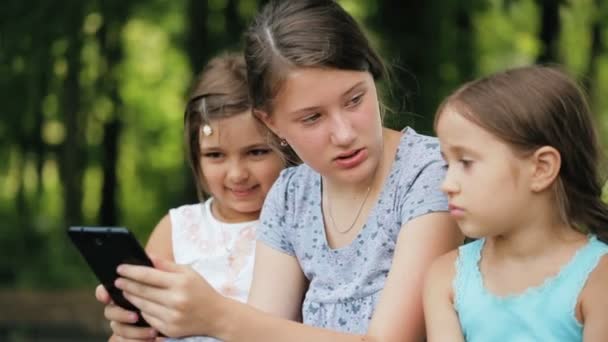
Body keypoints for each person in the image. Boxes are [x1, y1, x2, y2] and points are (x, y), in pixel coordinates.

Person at [103, 1, 463, 341]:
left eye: (355, 100)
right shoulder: (292, 194)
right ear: (271, 123)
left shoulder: (429, 173)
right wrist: (163, 321)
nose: (344, 133)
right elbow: (264, 328)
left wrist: (214, 315)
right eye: (312, 117)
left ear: (373, 74)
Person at [96, 53, 289, 341]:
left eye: (256, 152)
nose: (237, 174)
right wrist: (130, 327)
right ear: (196, 157)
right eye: (215, 155)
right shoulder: (177, 228)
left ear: (287, 146)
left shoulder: (298, 226)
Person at [424, 65, 608, 341]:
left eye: (466, 162)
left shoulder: (598, 280)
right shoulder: (445, 278)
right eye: (446, 164)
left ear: (541, 168)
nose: (447, 184)